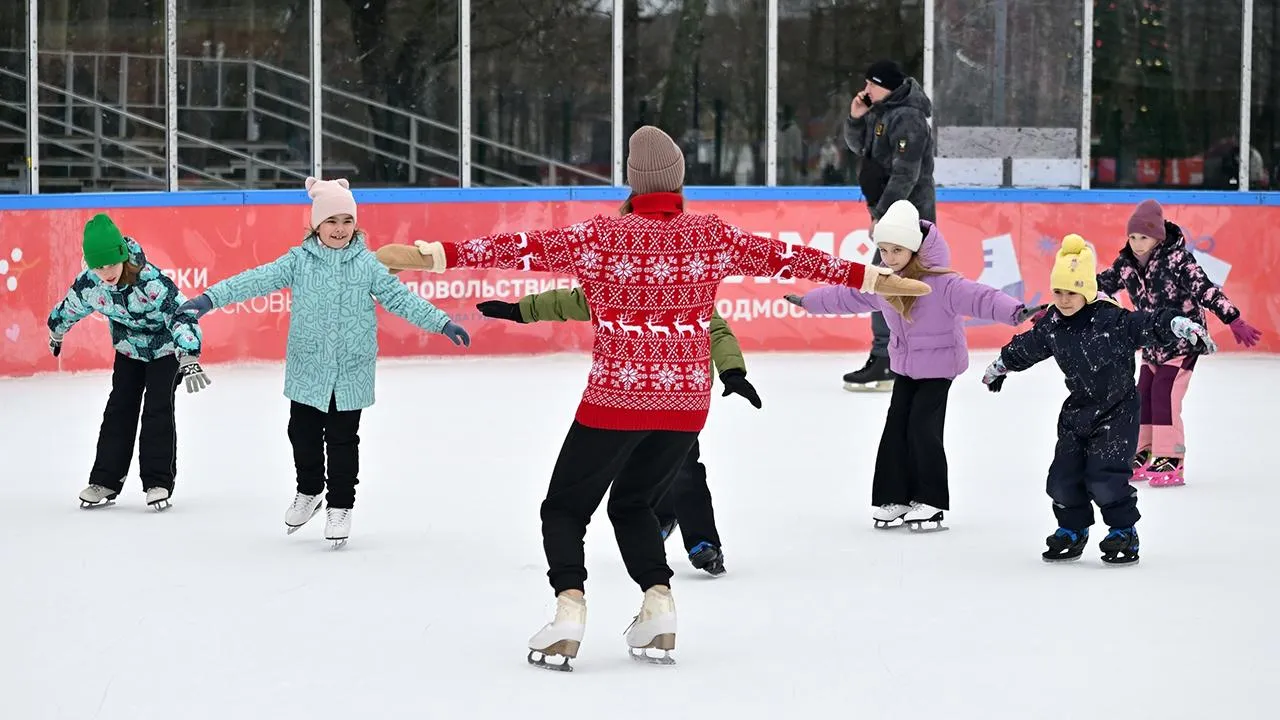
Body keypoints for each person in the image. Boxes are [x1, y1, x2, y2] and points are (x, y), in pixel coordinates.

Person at [375, 125, 930, 670]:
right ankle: (658, 605)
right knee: (633, 504)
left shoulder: (600, 237)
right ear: (679, 181)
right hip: (685, 405)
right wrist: (879, 279)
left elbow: (514, 249)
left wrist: (429, 256)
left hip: (615, 400)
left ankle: (569, 610)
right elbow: (794, 259)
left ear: (632, 182)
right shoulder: (710, 236)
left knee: (565, 508)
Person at [177, 177, 469, 548]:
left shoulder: (368, 265)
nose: (340, 229)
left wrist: (441, 322)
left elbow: (401, 299)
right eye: (332, 221)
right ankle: (310, 491)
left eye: (347, 221)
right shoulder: (298, 261)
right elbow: (254, 281)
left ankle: (340, 506)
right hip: (308, 368)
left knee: (344, 441)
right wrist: (208, 299)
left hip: (351, 370)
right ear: (317, 225)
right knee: (302, 434)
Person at [785, 200, 1039, 531]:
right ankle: (894, 497)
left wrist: (1016, 311)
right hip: (905, 366)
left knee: (923, 428)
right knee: (895, 430)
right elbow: (847, 296)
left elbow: (982, 298)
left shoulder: (944, 283)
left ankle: (930, 500)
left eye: (896, 251)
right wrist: (809, 302)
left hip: (939, 368)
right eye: (883, 250)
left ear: (914, 248)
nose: (887, 258)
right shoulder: (884, 282)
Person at [474, 286, 762, 577]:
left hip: (679, 398)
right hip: (628, 398)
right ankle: (658, 518)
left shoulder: (686, 286)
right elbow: (575, 301)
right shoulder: (620, 283)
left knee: (684, 470)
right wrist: (520, 310)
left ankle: (702, 541)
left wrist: (732, 371)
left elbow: (717, 331)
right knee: (642, 468)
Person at [982, 234, 1215, 565]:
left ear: (1087, 290)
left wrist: (1176, 323)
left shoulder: (1110, 319)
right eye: (1058, 292)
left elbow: (1146, 323)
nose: (1063, 299)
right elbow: (1029, 345)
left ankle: (1123, 531)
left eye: (1072, 292)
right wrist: (1001, 365)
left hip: (1117, 410)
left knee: (1105, 478)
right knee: (1062, 479)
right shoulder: (1053, 323)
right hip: (1078, 411)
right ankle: (1072, 529)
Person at [48, 214, 210, 512]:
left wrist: (188, 353)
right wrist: (56, 332)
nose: (105, 272)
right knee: (119, 407)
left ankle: (157, 482)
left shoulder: (150, 280)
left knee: (157, 408)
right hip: (129, 351)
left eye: (110, 263)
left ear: (122, 256)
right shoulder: (91, 285)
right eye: (98, 266)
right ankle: (106, 480)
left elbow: (181, 313)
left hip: (165, 349)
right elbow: (69, 308)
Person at [1097, 199, 1261, 486]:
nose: (1136, 243)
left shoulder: (1178, 261)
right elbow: (1095, 286)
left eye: (1143, 237)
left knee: (1165, 393)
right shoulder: (1125, 265)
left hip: (1183, 341)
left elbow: (1204, 288)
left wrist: (1231, 318)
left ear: (1158, 236)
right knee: (1142, 395)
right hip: (1150, 343)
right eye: (1132, 236)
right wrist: (1061, 306)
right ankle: (1143, 452)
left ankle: (1170, 457)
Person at [842, 59, 937, 392]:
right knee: (895, 288)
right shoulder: (883, 112)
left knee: (882, 283)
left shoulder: (908, 118)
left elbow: (906, 174)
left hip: (907, 220)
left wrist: (882, 215)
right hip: (896, 219)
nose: (866, 90)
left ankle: (887, 359)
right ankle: (900, 359)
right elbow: (860, 149)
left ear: (889, 86)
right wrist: (855, 118)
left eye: (872, 84)